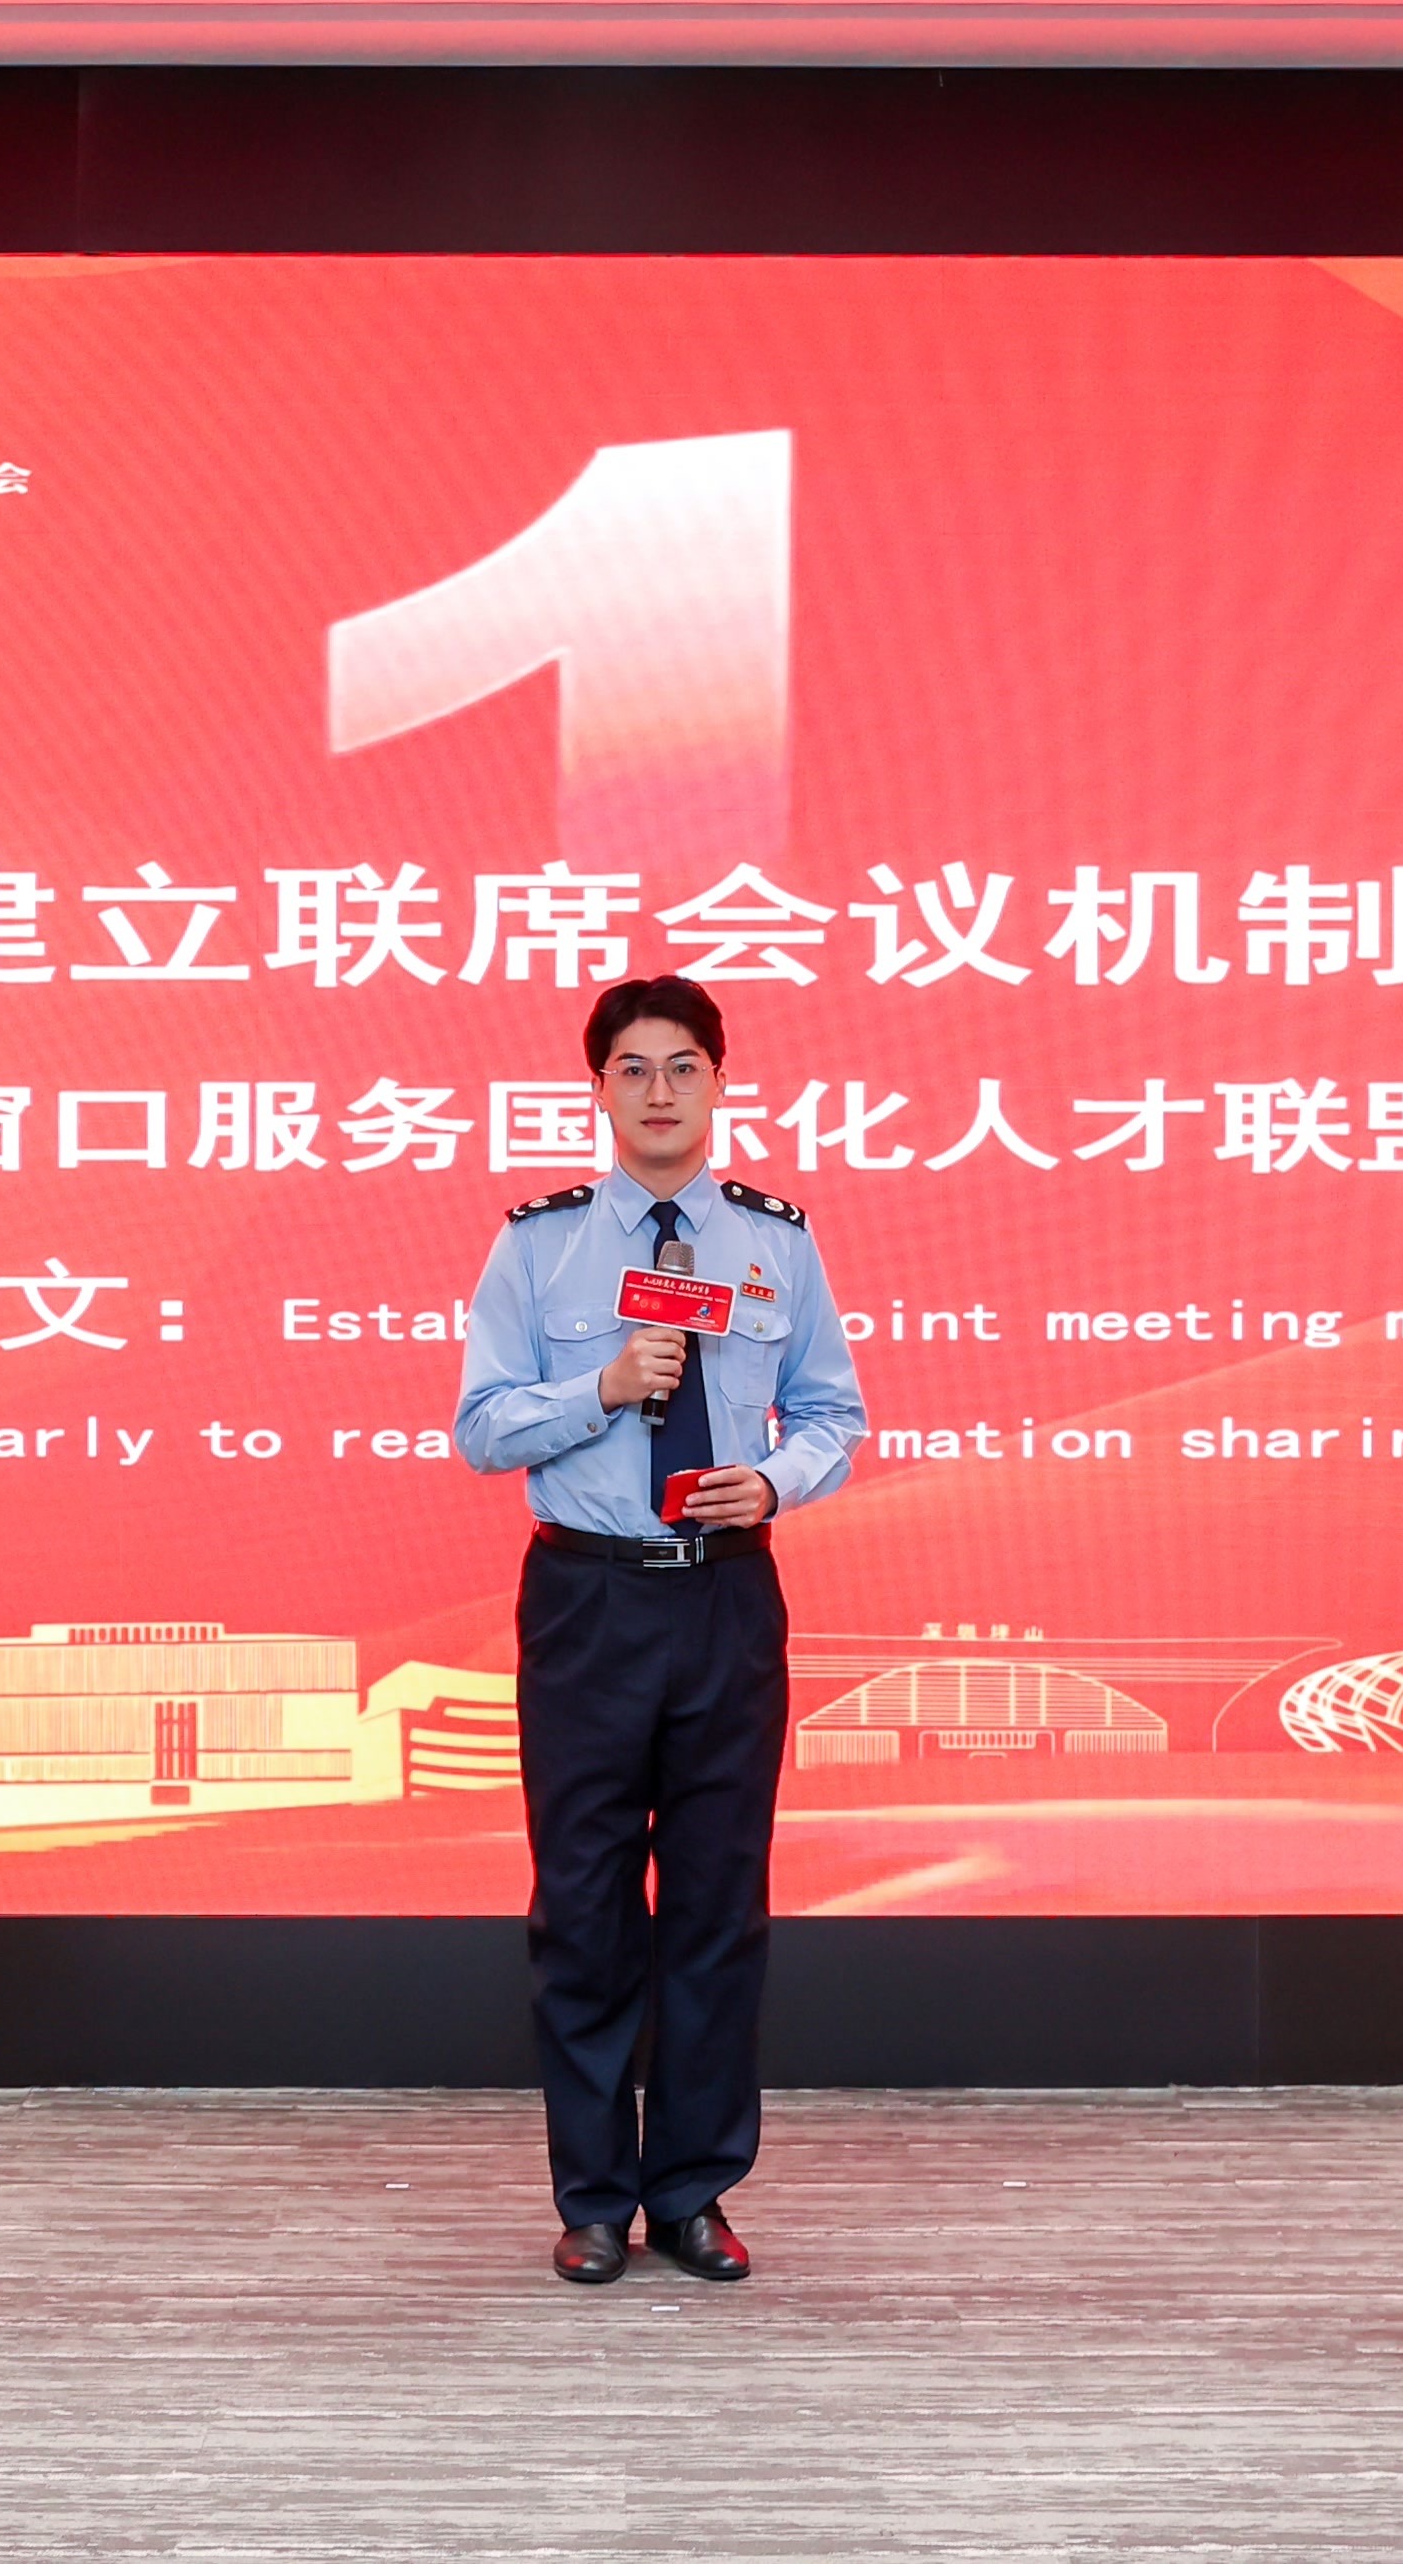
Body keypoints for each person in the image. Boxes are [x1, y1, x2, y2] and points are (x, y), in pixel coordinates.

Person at [455, 973, 865, 2284]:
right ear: (598, 1089)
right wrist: (601, 1384)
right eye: (631, 1068)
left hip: (724, 1594)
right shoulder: (538, 1246)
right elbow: (482, 1428)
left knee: (714, 1904)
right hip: (587, 1597)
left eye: (682, 1066)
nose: (659, 1091)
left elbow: (833, 1414)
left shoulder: (773, 1241)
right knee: (582, 1904)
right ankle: (591, 2197)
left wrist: (777, 1479)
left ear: (719, 1082)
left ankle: (691, 2191)